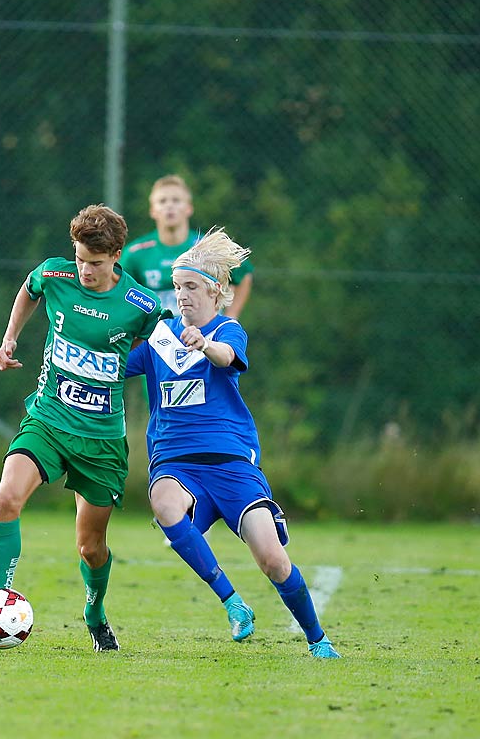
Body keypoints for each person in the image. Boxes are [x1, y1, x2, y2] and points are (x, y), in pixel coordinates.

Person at [0, 204, 166, 651]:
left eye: (96, 263)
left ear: (117, 256)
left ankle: (95, 612)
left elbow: (164, 353)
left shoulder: (139, 305)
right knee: (7, 498)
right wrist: (11, 336)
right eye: (81, 259)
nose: (85, 270)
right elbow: (29, 290)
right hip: (47, 419)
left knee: (90, 548)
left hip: (101, 439)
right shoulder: (56, 275)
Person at [123, 228, 339, 658]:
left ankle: (318, 639)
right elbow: (113, 366)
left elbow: (226, 356)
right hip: (176, 461)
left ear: (215, 290)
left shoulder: (227, 329)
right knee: (164, 502)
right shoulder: (159, 337)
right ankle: (233, 602)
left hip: (230, 462)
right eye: (177, 286)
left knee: (274, 562)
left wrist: (205, 345)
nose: (180, 295)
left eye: (190, 287)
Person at [121, 174, 254, 318]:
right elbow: (119, 290)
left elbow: (244, 274)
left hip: (205, 334)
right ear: (153, 211)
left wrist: (232, 315)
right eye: (162, 201)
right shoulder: (136, 253)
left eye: (176, 200)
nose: (169, 205)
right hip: (157, 336)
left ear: (189, 208)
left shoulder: (209, 247)